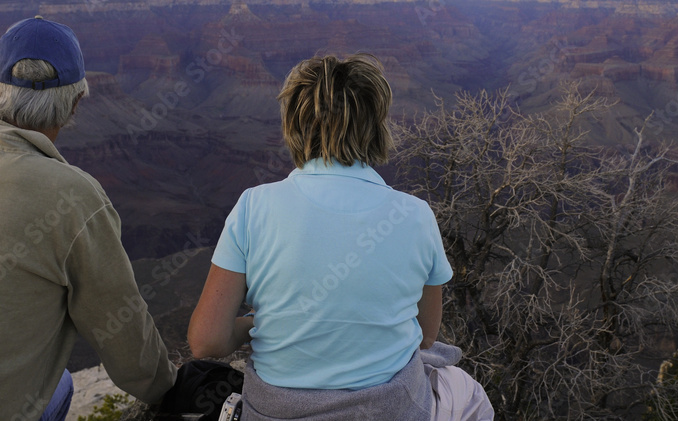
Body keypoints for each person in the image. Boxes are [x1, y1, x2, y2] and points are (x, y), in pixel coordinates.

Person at [188, 54, 494, 420]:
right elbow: (426, 336)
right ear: (376, 127)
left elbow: (206, 341)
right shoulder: (414, 214)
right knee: (464, 390)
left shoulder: (254, 206)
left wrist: (263, 322)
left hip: (276, 413)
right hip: (386, 412)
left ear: (294, 123)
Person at [0, 16, 177, 420]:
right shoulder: (74, 197)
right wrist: (172, 391)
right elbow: (125, 341)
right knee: (61, 383)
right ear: (76, 102)